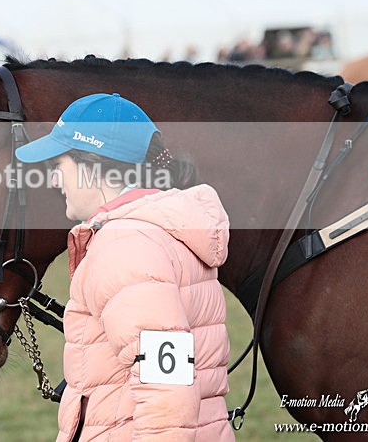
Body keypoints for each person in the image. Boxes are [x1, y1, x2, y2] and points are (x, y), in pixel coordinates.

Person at [15, 93, 233, 441]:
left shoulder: (125, 245)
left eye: (59, 167)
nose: (54, 182)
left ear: (92, 163)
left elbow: (167, 388)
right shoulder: (159, 229)